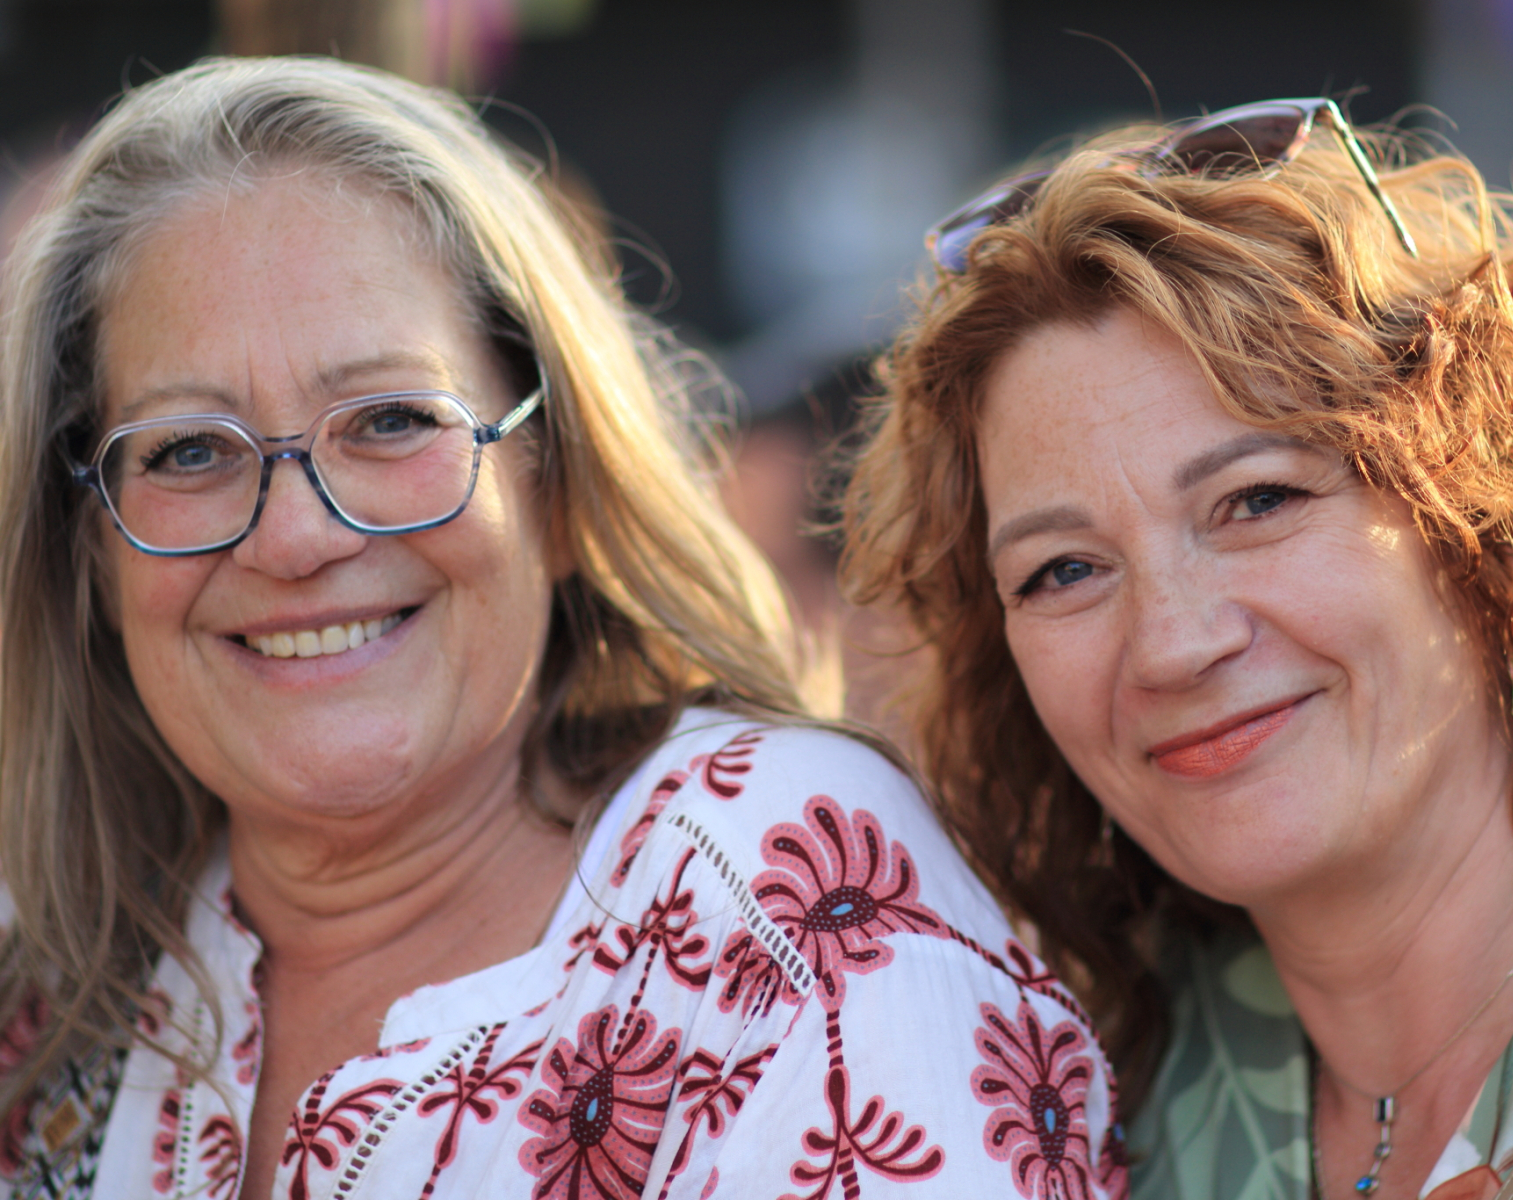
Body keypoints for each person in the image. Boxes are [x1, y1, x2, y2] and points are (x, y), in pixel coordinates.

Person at [0, 56, 1126, 1200]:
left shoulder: (793, 906)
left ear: (558, 485)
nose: (294, 537)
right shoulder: (47, 960)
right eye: (189, 449)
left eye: (391, 420)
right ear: (87, 543)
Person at [841, 98, 1513, 1199]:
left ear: (1480, 513)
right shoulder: (1074, 1095)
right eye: (1064, 570)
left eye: (1258, 500)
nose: (1172, 645)